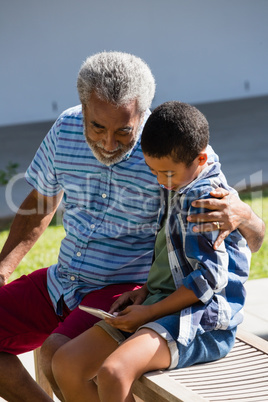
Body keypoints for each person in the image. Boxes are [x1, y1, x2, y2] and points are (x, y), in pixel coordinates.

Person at [0, 52, 264, 402]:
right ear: (82, 108)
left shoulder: (171, 150)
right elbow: (41, 203)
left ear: (143, 114)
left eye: (123, 131)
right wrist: (3, 266)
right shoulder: (64, 129)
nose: (109, 144)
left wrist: (246, 216)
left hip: (124, 286)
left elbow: (250, 238)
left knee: (56, 354)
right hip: (63, 280)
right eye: (97, 127)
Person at [51, 101, 252, 402]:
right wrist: (145, 291)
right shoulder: (178, 181)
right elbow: (177, 258)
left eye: (167, 174)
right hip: (160, 304)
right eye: (153, 171)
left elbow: (207, 281)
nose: (160, 181)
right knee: (66, 363)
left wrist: (149, 312)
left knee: (114, 372)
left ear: (200, 160)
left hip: (201, 321)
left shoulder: (206, 201)